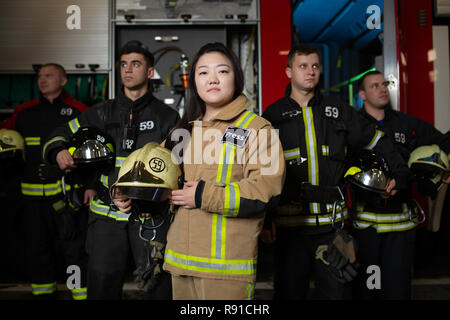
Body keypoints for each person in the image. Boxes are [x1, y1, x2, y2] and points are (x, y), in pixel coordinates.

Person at [116, 42, 285, 300]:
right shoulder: (184, 132)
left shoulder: (259, 129)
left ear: (236, 78)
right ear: (194, 81)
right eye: (203, 72)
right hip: (181, 265)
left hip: (226, 272)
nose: (213, 79)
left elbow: (267, 192)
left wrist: (202, 196)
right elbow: (153, 174)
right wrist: (125, 192)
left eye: (222, 71)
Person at [261, 45, 409, 300]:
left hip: (332, 230)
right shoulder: (273, 115)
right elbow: (261, 173)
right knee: (288, 294)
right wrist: (265, 220)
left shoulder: (338, 110)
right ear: (288, 71)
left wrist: (400, 174)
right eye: (303, 66)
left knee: (337, 296)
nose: (311, 72)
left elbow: (378, 140)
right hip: (290, 231)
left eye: (316, 66)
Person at [42, 41, 180, 300]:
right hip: (105, 218)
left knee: (157, 288)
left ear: (150, 72)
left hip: (150, 218)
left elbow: (180, 168)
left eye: (136, 64)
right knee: (102, 288)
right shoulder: (99, 114)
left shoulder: (167, 117)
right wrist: (58, 151)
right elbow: (59, 134)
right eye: (124, 64)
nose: (128, 70)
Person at [350, 70, 450, 300]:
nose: (383, 88)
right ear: (362, 95)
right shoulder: (354, 127)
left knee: (398, 291)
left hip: (401, 229)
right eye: (375, 86)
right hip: (367, 231)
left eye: (384, 84)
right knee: (370, 290)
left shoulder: (406, 124)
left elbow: (443, 141)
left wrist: (445, 165)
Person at [0, 63, 89, 299]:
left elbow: (91, 153)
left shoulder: (78, 111)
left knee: (74, 250)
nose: (42, 80)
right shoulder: (23, 112)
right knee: (37, 251)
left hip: (66, 199)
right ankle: (44, 294)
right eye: (40, 76)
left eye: (49, 75)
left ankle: (80, 294)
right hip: (30, 201)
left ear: (63, 81)